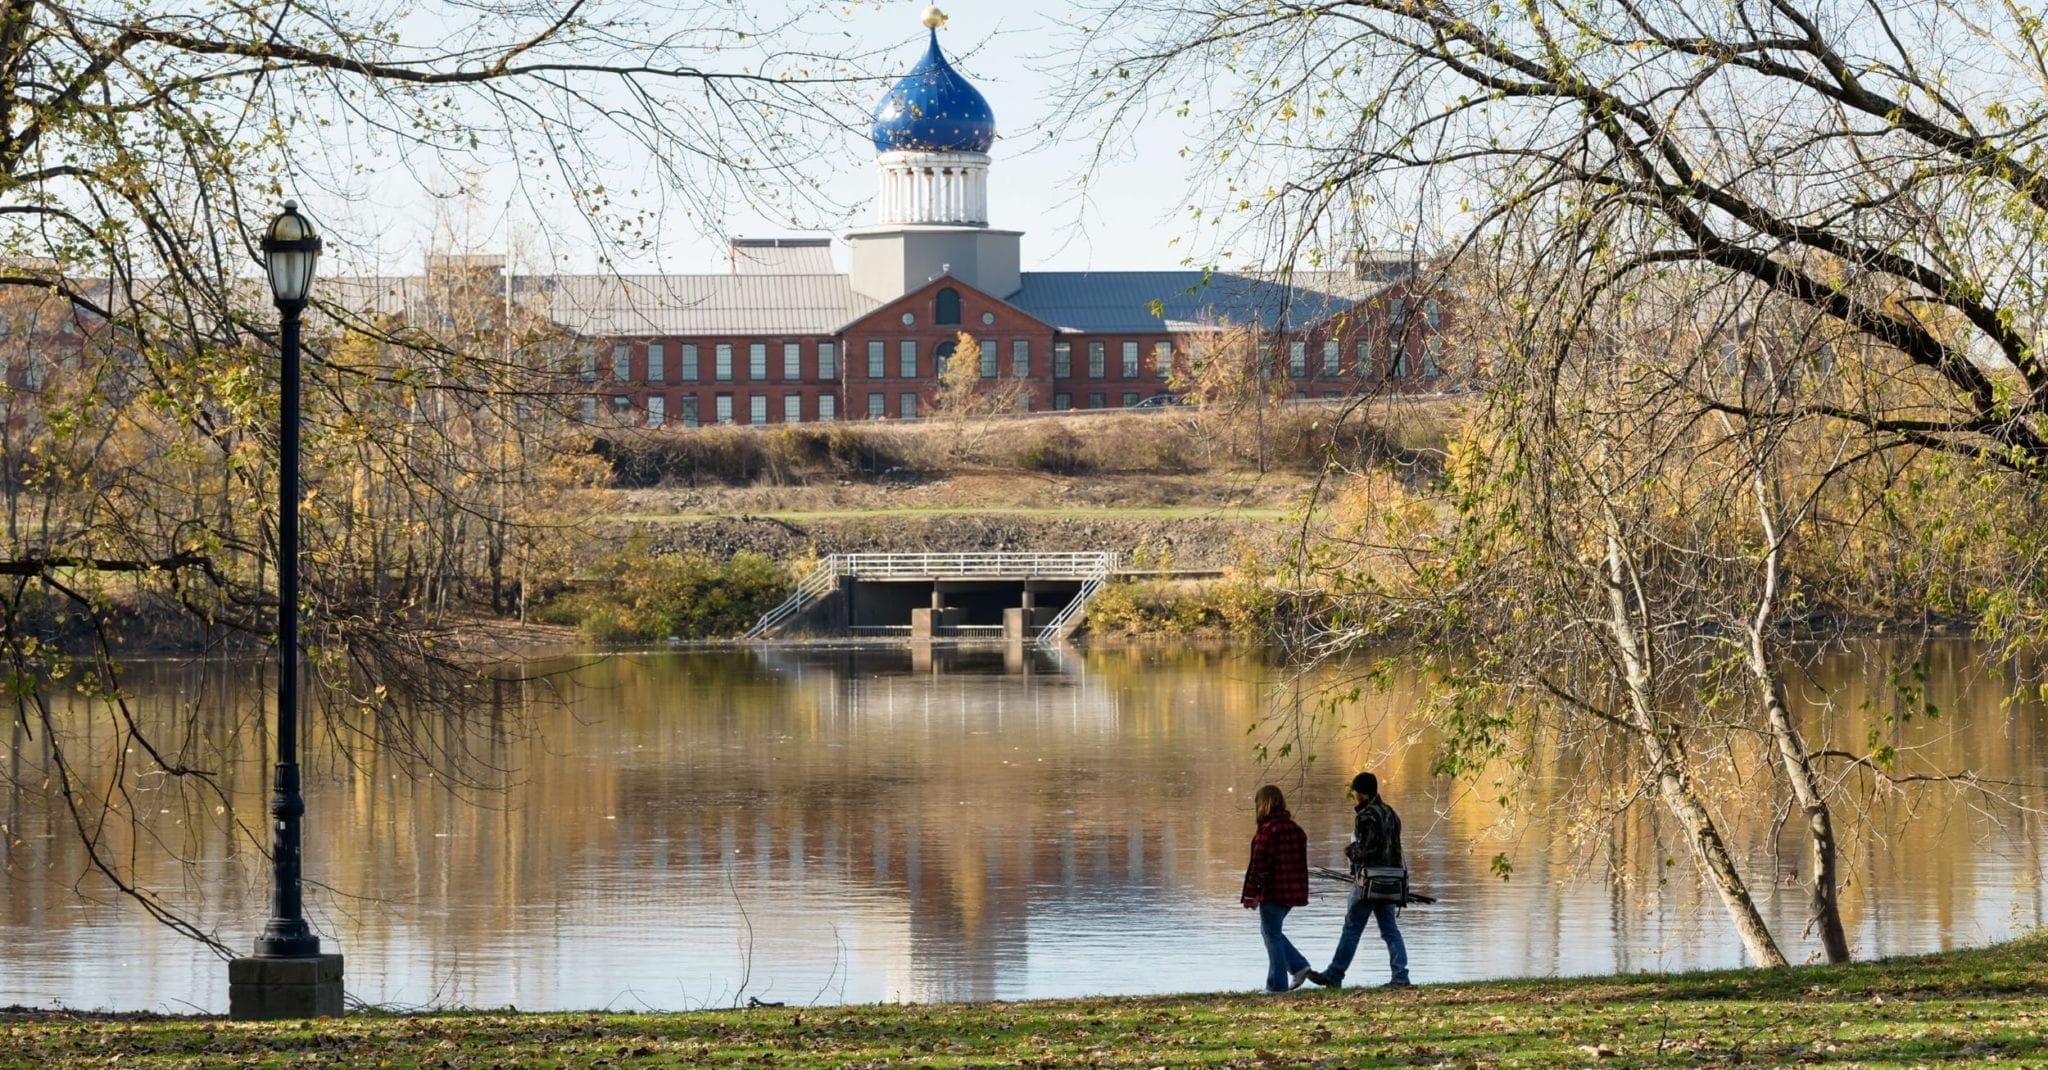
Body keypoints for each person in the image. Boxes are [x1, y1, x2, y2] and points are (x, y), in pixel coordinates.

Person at [1306, 771, 1411, 988]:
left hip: (1369, 881)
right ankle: (1400, 976)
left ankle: (1334, 975)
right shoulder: (1391, 813)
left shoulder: (1365, 816)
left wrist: (1351, 850)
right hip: (1392, 880)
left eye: (1355, 792)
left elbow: (1367, 850)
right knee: (1390, 930)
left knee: (1352, 929)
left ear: (1360, 793)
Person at [1240, 784, 1312, 993]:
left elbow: (1259, 866)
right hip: (1293, 891)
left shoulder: (1267, 831)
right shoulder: (1296, 829)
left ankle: (1277, 986)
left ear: (1262, 805)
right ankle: (1298, 966)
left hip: (1273, 891)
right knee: (1272, 932)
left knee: (1271, 935)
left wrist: (1252, 894)